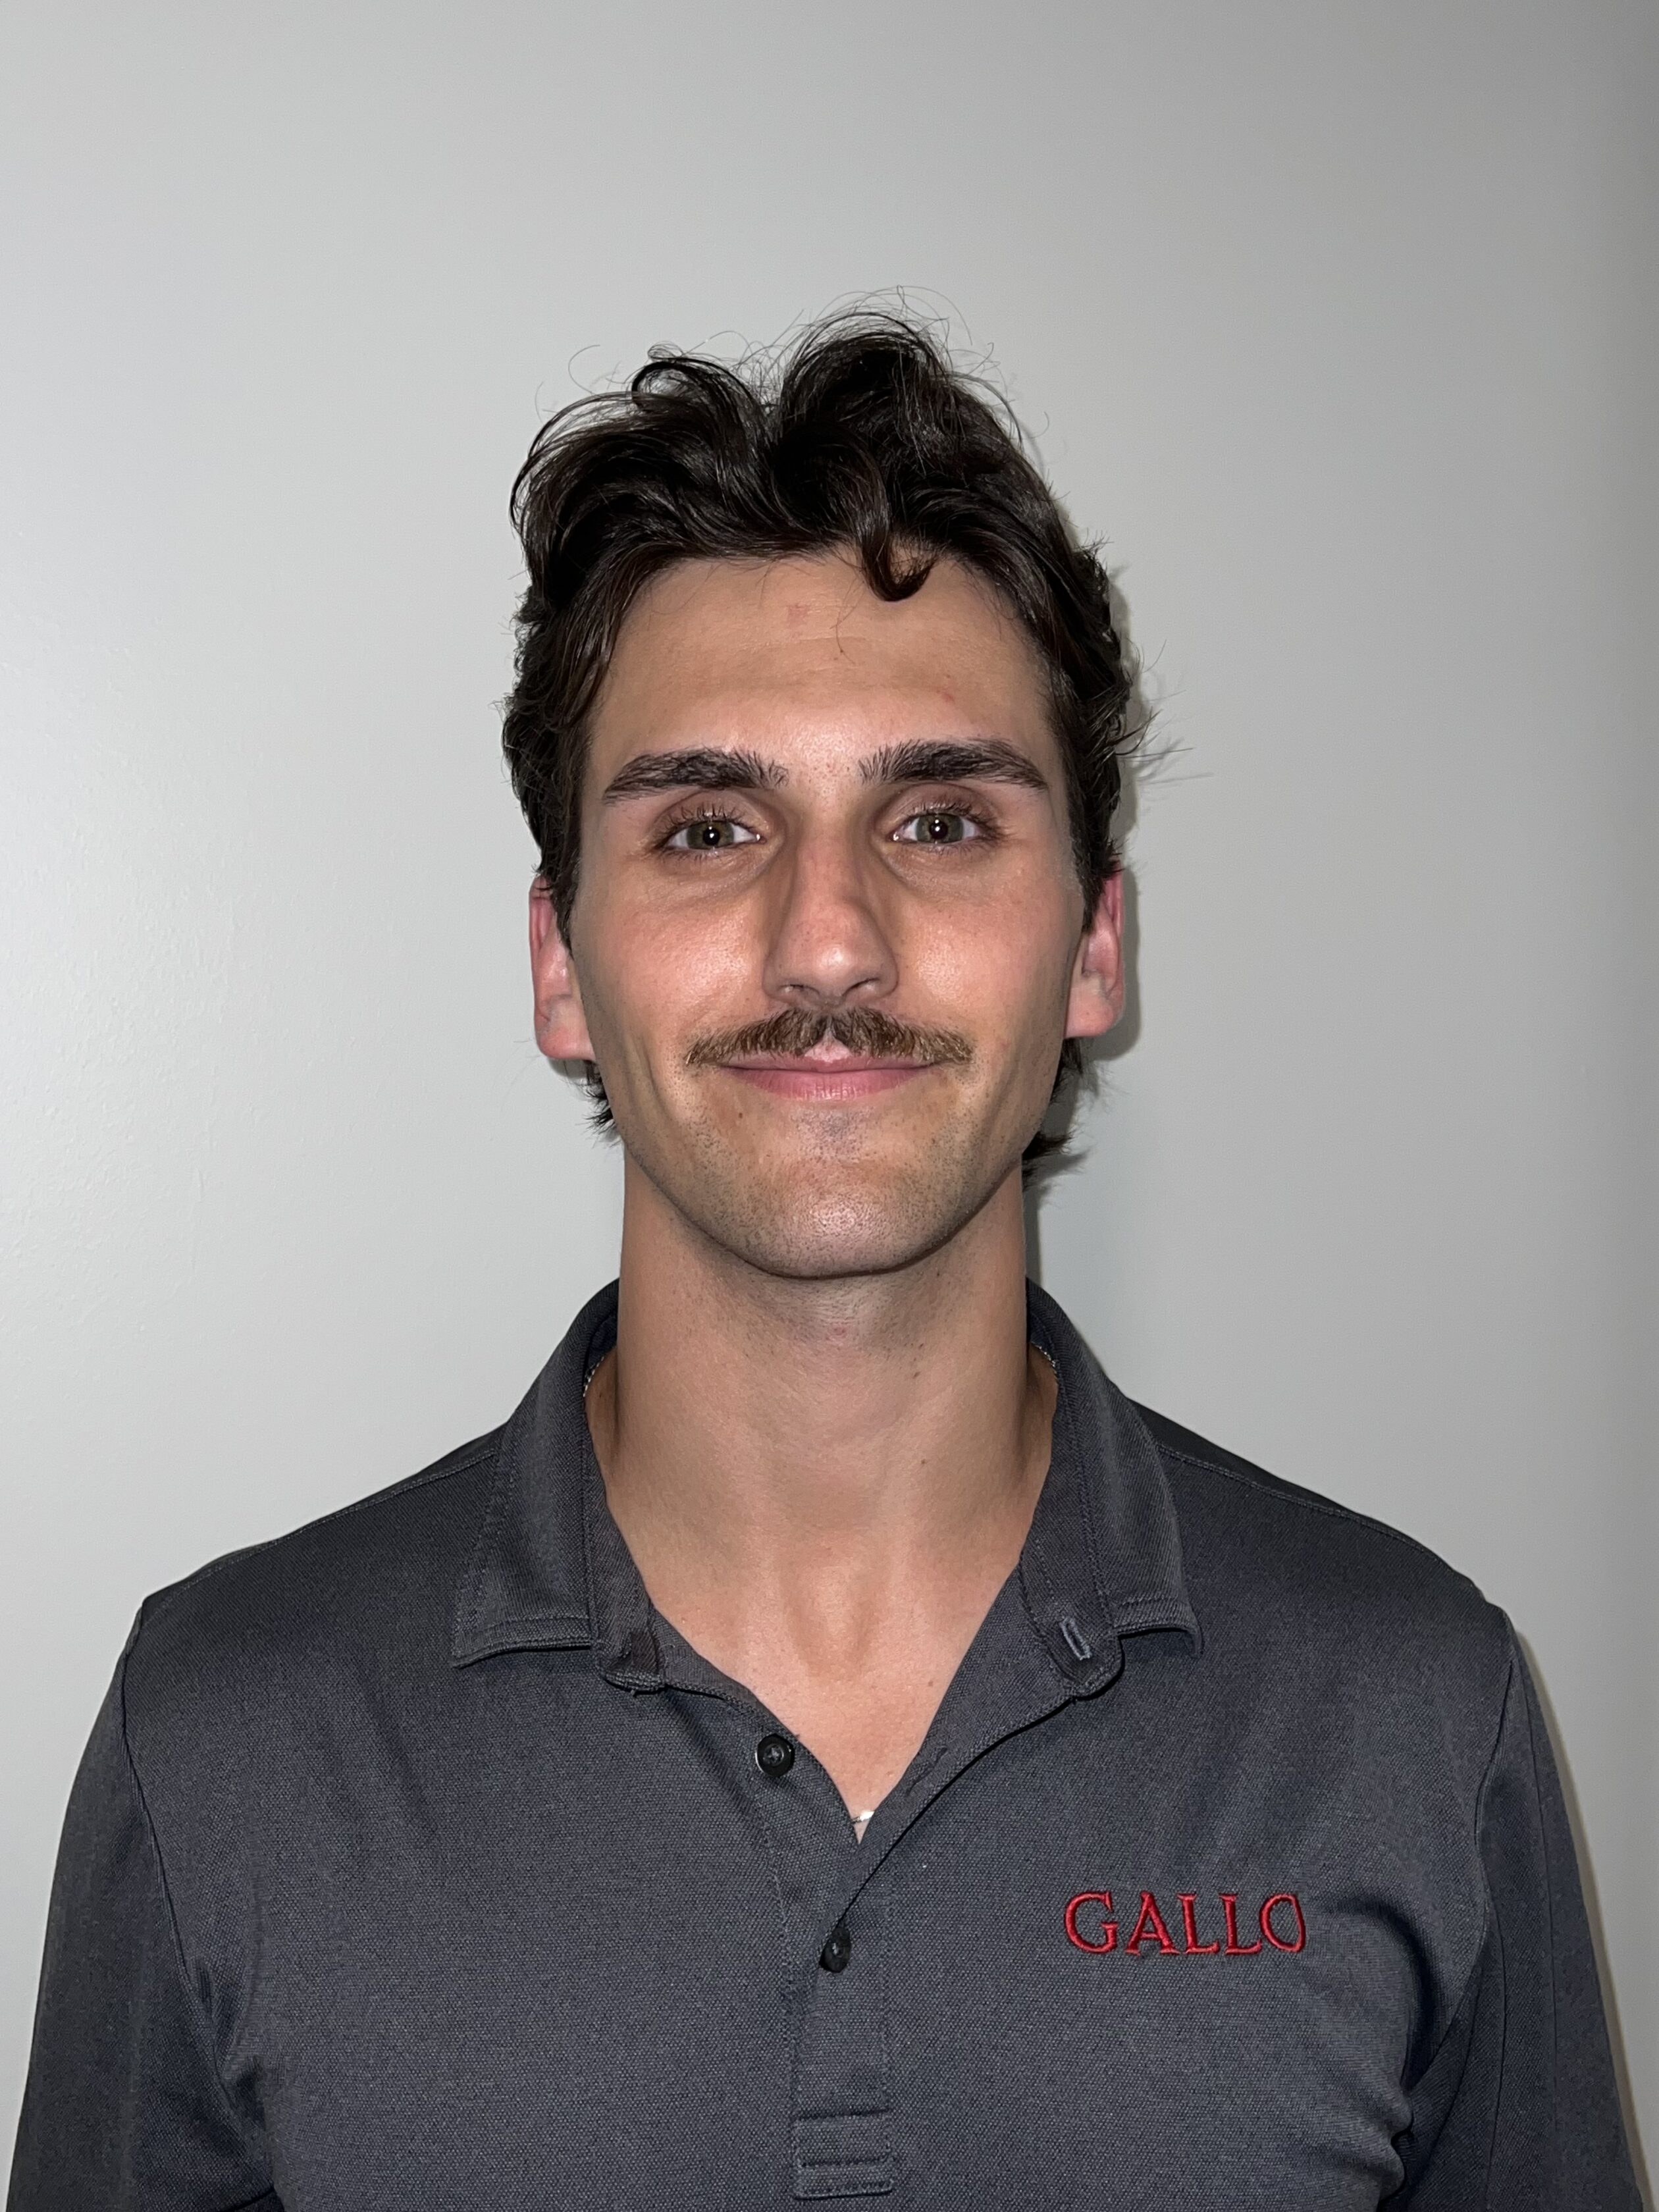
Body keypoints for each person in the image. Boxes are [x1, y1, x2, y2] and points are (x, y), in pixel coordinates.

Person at [9, 315, 1642, 2212]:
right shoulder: (223, 1739)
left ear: (1094, 946)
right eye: (711, 827)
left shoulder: (1418, 1718)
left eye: (940, 820)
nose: (831, 941)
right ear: (559, 963)